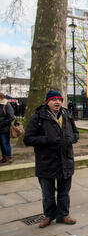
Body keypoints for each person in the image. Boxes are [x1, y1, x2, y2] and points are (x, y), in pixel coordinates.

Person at [23, 90, 79, 228]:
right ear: (47, 102)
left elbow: (76, 133)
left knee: (64, 192)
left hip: (65, 161)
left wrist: (72, 138)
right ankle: (49, 215)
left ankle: (63, 215)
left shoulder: (67, 114)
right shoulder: (38, 117)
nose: (57, 102)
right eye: (54, 99)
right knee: (48, 194)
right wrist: (46, 139)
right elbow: (28, 139)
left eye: (59, 99)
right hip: (46, 162)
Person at [0, 92, 15, 165]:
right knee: (2, 144)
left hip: (5, 128)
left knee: (5, 143)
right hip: (1, 128)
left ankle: (9, 158)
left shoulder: (7, 105)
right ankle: (4, 158)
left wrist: (3, 123)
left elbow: (11, 117)